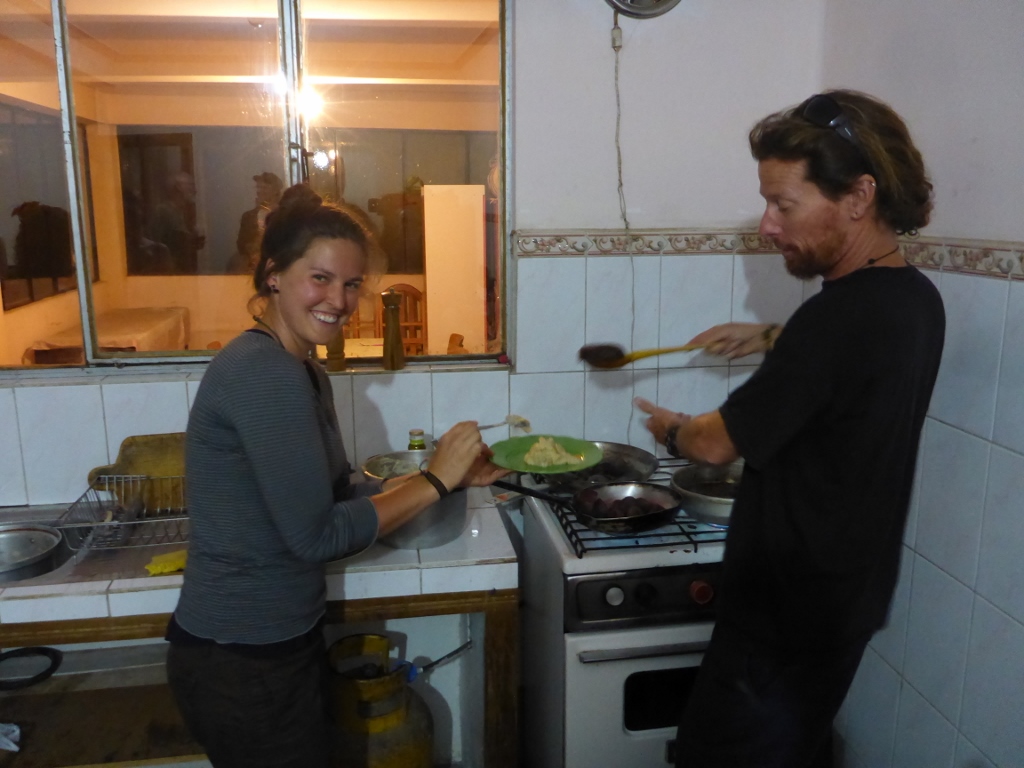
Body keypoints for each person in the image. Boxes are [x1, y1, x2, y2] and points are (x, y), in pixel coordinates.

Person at [635, 90, 945, 767]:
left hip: (783, 612)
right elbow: (850, 366)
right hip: (845, 596)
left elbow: (715, 442)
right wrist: (773, 336)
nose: (768, 226)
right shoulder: (914, 298)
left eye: (785, 204)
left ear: (859, 196)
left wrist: (671, 429)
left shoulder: (832, 320)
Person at [165, 183, 508, 768]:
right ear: (273, 274)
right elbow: (317, 535)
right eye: (320, 278)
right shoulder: (261, 372)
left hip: (270, 647)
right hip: (242, 658)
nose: (339, 300)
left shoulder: (303, 370)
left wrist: (445, 478)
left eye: (351, 284)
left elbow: (339, 493)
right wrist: (433, 481)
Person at [228, 171, 284, 274]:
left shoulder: (283, 215)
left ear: (275, 191)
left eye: (264, 188)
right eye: (258, 187)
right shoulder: (248, 217)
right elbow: (241, 244)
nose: (259, 191)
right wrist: (253, 254)